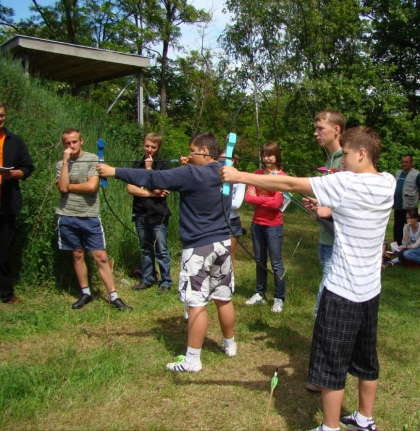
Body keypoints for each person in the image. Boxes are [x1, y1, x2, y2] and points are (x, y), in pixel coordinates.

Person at [220, 126, 395, 431]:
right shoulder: (388, 182)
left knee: (331, 363)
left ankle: (329, 427)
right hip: (370, 292)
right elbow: (352, 208)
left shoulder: (344, 183)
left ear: (362, 154)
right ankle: (365, 419)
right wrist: (327, 208)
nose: (342, 162)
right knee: (367, 359)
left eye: (348, 155)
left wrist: (239, 176)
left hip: (342, 292)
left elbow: (288, 182)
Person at [97, 132, 237, 371]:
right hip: (223, 243)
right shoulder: (226, 171)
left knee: (197, 303)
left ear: (204, 150)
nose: (189, 155)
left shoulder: (190, 174)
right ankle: (230, 345)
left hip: (199, 247)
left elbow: (152, 177)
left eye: (193, 151)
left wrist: (114, 171)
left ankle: (192, 360)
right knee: (223, 297)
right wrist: (192, 164)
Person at [55, 128, 131, 310]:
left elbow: (91, 186)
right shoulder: (61, 164)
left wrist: (69, 185)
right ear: (63, 144)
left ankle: (114, 296)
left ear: (81, 141)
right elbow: (62, 188)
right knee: (77, 254)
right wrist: (65, 162)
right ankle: (85, 293)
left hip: (89, 215)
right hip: (67, 214)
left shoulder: (92, 159)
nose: (71, 146)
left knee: (100, 256)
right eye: (67, 143)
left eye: (74, 142)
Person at [302, 110, 344, 319]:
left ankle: (322, 329)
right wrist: (318, 203)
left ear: (336, 130)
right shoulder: (331, 160)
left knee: (329, 288)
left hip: (338, 239)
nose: (315, 133)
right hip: (327, 237)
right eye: (315, 129)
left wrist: (330, 210)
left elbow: (355, 199)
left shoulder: (345, 159)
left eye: (320, 129)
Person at [244, 141, 287, 314]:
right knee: (260, 261)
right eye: (263, 154)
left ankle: (279, 297)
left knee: (276, 263)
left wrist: (260, 199)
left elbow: (277, 203)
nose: (266, 158)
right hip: (257, 224)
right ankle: (259, 293)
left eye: (269, 154)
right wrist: (267, 201)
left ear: (276, 155)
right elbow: (248, 198)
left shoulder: (282, 176)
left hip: (273, 226)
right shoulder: (257, 174)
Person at [127, 133, 173, 294]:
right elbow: (130, 189)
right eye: (147, 146)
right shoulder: (136, 164)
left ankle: (166, 280)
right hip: (140, 212)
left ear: (158, 148)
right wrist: (152, 193)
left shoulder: (163, 166)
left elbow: (160, 187)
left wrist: (148, 170)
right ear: (143, 145)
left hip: (158, 213)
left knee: (161, 248)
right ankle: (148, 278)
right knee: (145, 248)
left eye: (153, 147)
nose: (149, 150)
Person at [0, 103, 34, 304]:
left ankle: (6, 292)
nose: (0, 119)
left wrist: (12, 174)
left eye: (2, 115)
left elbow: (28, 168)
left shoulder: (15, 142)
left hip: (6, 205)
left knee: (3, 251)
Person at [219, 152, 245, 282]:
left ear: (234, 161)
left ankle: (230, 283)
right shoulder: (215, 177)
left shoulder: (239, 179)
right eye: (221, 159)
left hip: (232, 221)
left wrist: (218, 200)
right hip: (217, 219)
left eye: (228, 159)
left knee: (229, 255)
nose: (224, 161)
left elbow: (236, 204)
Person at [393, 154, 420, 245]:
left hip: (410, 207)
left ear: (411, 163)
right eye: (403, 162)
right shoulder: (398, 173)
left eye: (406, 162)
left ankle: (417, 244)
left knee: (413, 226)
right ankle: (398, 245)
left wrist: (414, 199)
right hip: (398, 206)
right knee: (397, 228)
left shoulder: (417, 175)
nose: (404, 164)